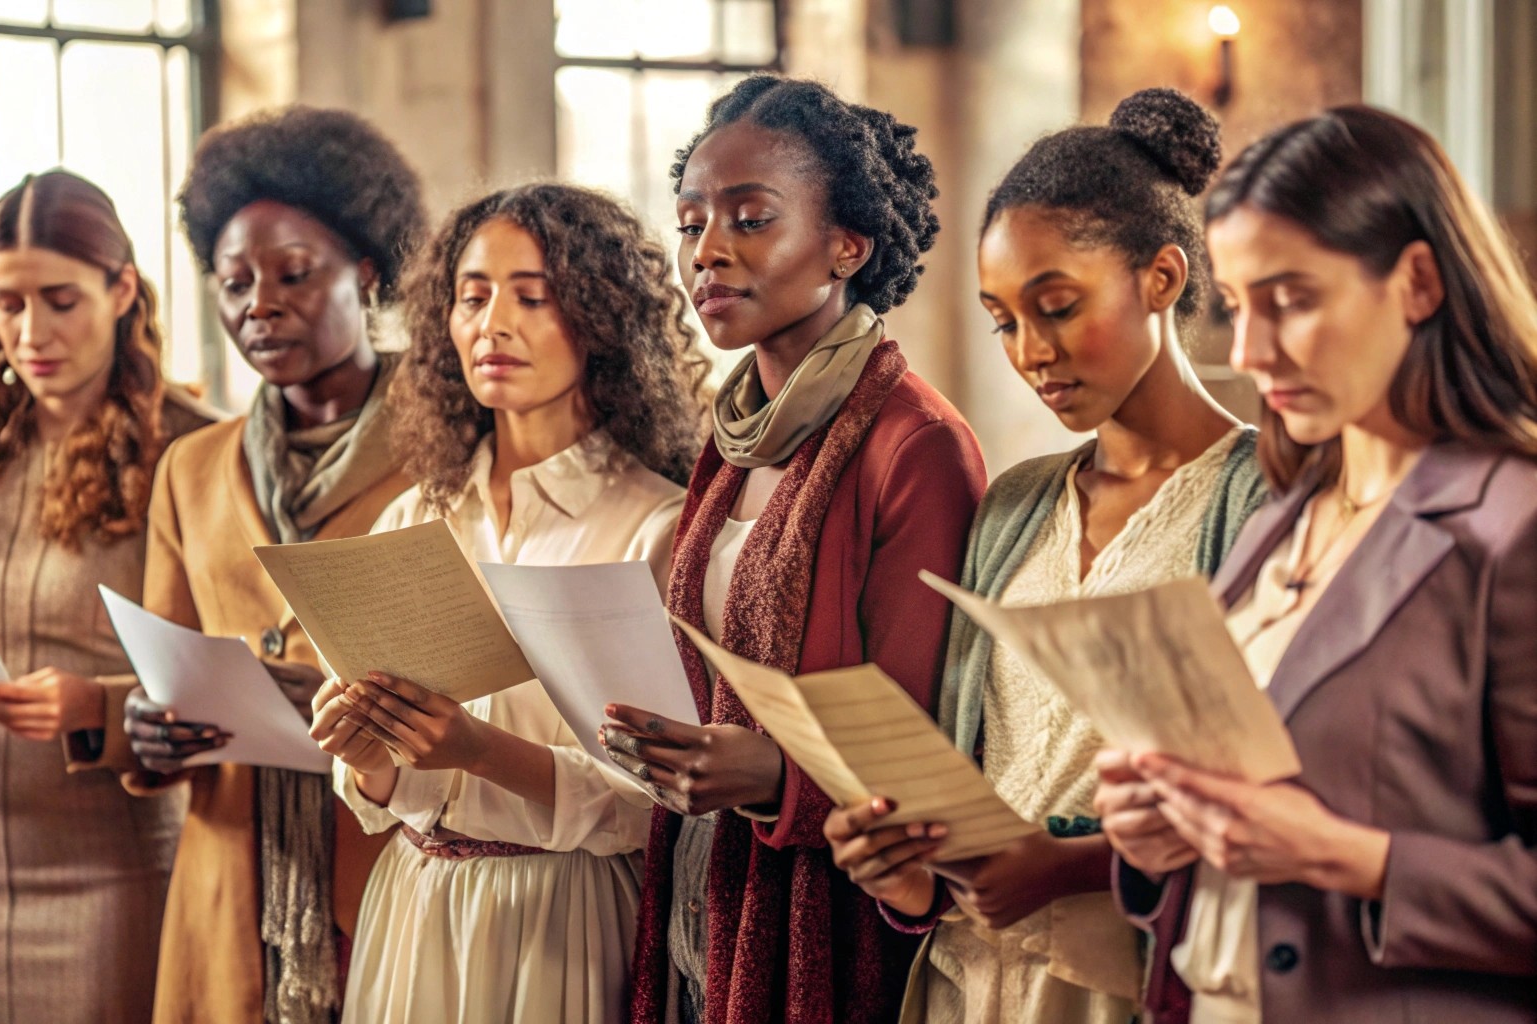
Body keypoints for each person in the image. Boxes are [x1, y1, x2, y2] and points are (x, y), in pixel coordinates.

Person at [820, 89, 1265, 1024]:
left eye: (1057, 307)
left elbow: (1276, 786)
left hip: (1135, 977)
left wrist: (1067, 863)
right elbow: (974, 757)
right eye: (1003, 320)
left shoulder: (1264, 494)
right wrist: (908, 864)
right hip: (971, 978)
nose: (1031, 352)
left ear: (1164, 278)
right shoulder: (1016, 502)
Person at [1095, 105, 1537, 1023]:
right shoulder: (1280, 516)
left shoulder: (1513, 527)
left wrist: (1348, 857)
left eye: (1291, 300)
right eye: (1237, 306)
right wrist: (1151, 841)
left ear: (1416, 282)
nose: (1251, 353)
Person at [601, 74, 987, 1024]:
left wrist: (773, 773)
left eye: (751, 218)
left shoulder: (914, 443)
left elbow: (920, 741)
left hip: (829, 904)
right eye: (691, 224)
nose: (709, 251)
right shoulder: (733, 436)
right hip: (701, 882)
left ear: (846, 245)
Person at [315, 181, 709, 1023]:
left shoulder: (655, 527)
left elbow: (657, 801)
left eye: (531, 297)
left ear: (600, 320)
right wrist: (366, 746)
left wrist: (477, 749)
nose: (492, 324)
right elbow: (382, 791)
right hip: (413, 905)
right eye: (472, 296)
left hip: (562, 918)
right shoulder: (417, 514)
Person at [0, 170, 214, 1023]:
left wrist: (97, 702)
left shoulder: (193, 453)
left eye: (60, 300)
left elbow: (233, 675)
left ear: (122, 287)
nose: (30, 331)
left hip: (115, 871)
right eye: (7, 303)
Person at [120, 105, 426, 1024]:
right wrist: (150, 731)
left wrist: (337, 698)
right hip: (233, 869)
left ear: (366, 273)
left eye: (294, 275)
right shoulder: (193, 464)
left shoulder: (448, 442)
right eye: (234, 282)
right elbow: (165, 660)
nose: (261, 303)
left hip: (387, 856)